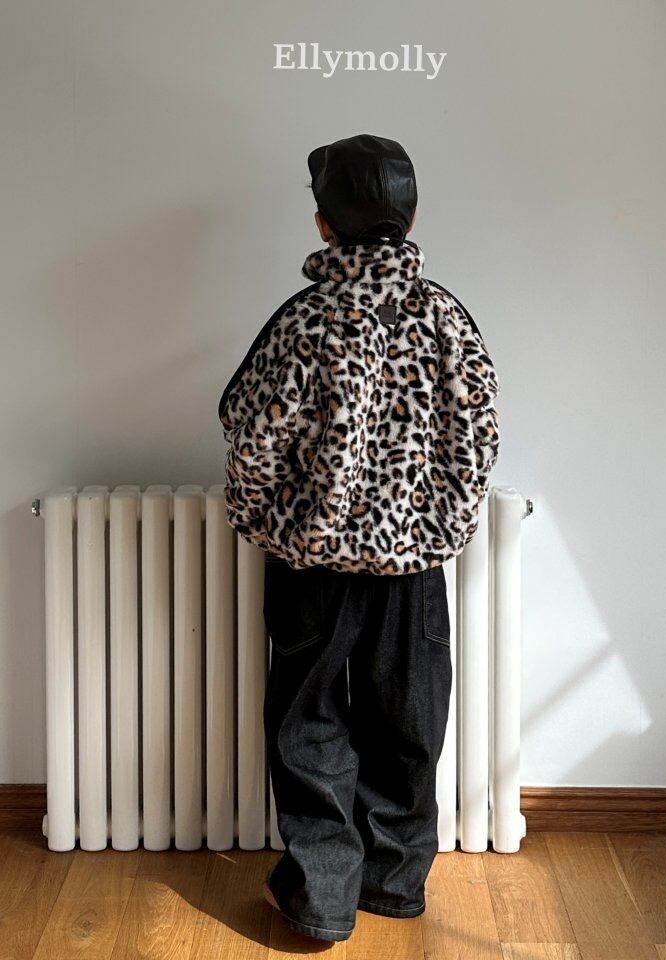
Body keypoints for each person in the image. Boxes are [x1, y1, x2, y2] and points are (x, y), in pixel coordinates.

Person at [218, 133, 500, 942]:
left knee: (308, 723)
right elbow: (478, 437)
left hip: (314, 566)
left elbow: (251, 432)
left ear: (323, 224)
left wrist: (264, 521)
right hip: (412, 567)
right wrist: (442, 526)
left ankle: (320, 898)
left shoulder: (306, 320)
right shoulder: (446, 317)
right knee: (410, 720)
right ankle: (394, 882)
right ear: (413, 218)